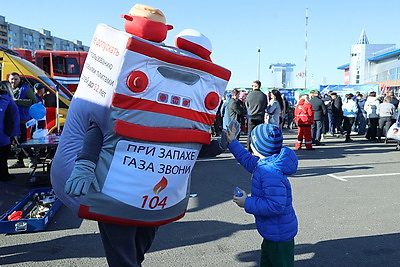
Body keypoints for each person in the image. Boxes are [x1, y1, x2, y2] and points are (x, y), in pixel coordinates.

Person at [226, 123, 298, 267]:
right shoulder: (265, 162)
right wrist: (232, 142)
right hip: (273, 231)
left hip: (279, 236)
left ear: (256, 146)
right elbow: (245, 158)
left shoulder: (270, 173)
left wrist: (247, 202)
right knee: (267, 261)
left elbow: (275, 206)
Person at [8, 72, 37, 168]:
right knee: (15, 142)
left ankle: (31, 158)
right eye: (12, 79)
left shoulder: (26, 89)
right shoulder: (8, 89)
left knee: (21, 140)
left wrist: (18, 102)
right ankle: (19, 161)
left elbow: (34, 102)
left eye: (15, 79)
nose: (13, 81)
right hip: (11, 120)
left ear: (19, 79)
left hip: (22, 120)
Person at [0, 81, 20, 181]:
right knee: (3, 157)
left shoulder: (4, 101)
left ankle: (4, 174)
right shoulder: (6, 101)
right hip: (4, 135)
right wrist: (12, 135)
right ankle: (4, 175)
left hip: (4, 133)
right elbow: (11, 120)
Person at [245, 80, 267, 152]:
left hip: (251, 116)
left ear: (255, 86)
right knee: (259, 134)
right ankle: (258, 149)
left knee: (250, 134)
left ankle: (249, 149)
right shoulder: (263, 96)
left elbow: (247, 104)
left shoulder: (249, 95)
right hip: (260, 116)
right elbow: (265, 105)